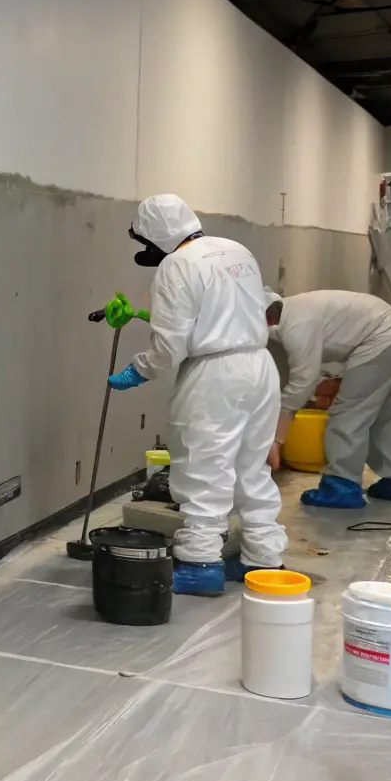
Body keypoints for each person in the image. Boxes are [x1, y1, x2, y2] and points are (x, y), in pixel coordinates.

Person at [106, 194, 285, 596]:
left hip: (216, 375)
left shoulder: (175, 265)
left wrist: (139, 369)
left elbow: (170, 346)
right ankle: (264, 556)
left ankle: (201, 561)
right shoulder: (235, 249)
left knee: (203, 466)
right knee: (250, 467)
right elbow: (247, 306)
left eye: (144, 243)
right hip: (259, 366)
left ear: (154, 236)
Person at [265, 289, 391, 508]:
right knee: (383, 414)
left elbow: (302, 381)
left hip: (381, 337)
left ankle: (341, 485)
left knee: (348, 413)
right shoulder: (291, 313)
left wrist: (276, 438)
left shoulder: (294, 325)